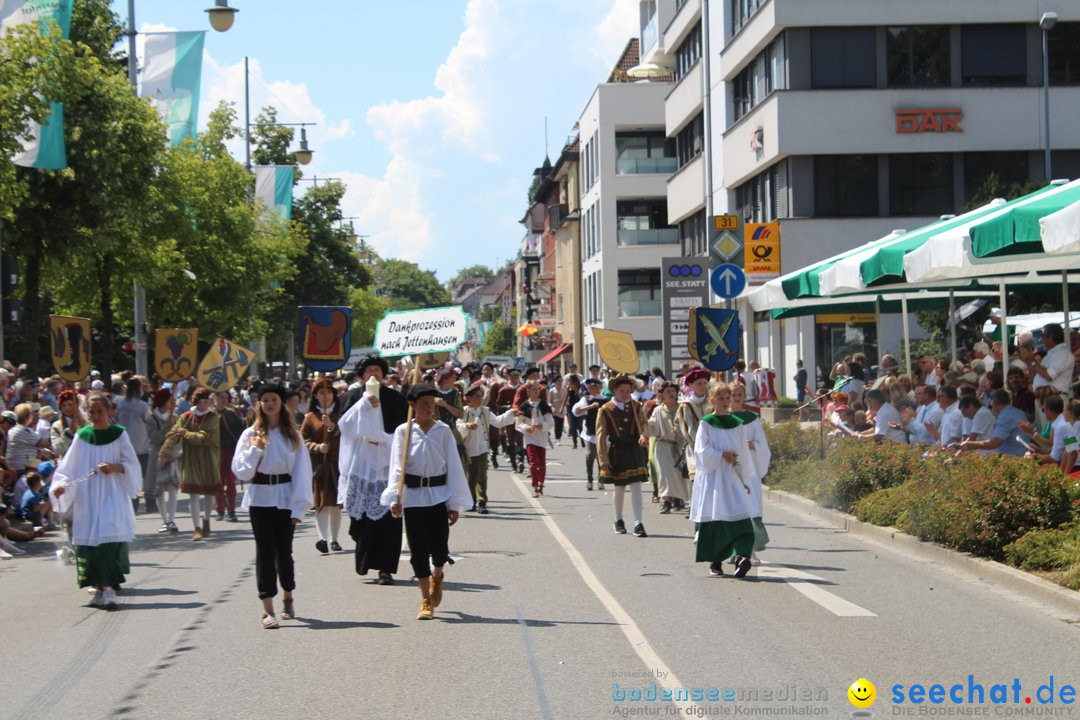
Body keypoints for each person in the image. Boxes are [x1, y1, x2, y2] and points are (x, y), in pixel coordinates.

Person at [381, 383, 472, 620]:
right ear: (412, 405)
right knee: (418, 550)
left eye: (432, 403)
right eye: (424, 404)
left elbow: (453, 466)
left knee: (439, 547)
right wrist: (395, 497)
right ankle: (425, 599)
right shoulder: (404, 431)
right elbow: (396, 467)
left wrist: (454, 503)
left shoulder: (443, 431)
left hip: (438, 494)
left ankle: (438, 576)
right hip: (413, 497)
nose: (430, 408)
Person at [49, 393, 142, 610]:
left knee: (107, 537)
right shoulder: (83, 435)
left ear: (109, 411)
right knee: (91, 541)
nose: (95, 415)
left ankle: (108, 588)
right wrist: (60, 486)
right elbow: (69, 467)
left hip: (112, 494)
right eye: (91, 411)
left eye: (99, 411)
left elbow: (131, 464)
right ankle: (99, 589)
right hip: (88, 497)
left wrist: (116, 468)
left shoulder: (119, 435)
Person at [232, 385, 313, 629]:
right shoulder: (250, 435)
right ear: (259, 404)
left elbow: (302, 473)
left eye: (274, 399)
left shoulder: (293, 436)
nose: (269, 404)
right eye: (265, 400)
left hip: (286, 498)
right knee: (265, 552)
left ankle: (288, 595)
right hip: (260, 498)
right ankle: (267, 609)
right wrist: (255, 449)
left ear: (281, 403)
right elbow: (240, 471)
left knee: (283, 551)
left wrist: (299, 507)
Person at [338, 354, 408, 585]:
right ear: (362, 374)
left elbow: (403, 428)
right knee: (364, 518)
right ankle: (365, 560)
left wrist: (386, 439)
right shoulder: (353, 396)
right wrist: (364, 404)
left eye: (377, 370)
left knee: (389, 516)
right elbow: (345, 427)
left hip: (387, 462)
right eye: (369, 370)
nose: (374, 374)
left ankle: (386, 569)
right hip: (362, 464)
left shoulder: (395, 398)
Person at [691, 383, 754, 578]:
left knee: (741, 514)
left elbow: (743, 453)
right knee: (717, 515)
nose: (726, 402)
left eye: (728, 398)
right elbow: (700, 451)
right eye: (721, 398)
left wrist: (744, 478)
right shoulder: (707, 423)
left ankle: (743, 556)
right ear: (712, 400)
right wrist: (721, 455)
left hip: (732, 476)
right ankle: (715, 562)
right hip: (714, 478)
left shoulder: (737, 423)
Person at [159, 387, 221, 541]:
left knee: (209, 493)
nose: (204, 405)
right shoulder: (186, 416)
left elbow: (206, 437)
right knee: (193, 494)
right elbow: (173, 434)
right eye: (201, 402)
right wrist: (164, 452)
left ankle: (206, 519)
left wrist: (186, 433)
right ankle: (196, 527)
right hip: (190, 458)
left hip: (209, 457)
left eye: (206, 402)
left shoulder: (213, 417)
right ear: (195, 402)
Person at [595, 374, 649, 538]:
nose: (626, 394)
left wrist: (644, 435)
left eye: (628, 391)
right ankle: (618, 520)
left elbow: (644, 423)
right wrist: (603, 459)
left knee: (636, 485)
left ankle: (638, 523)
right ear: (614, 391)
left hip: (634, 448)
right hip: (617, 450)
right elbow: (600, 435)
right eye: (622, 391)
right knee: (619, 487)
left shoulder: (637, 406)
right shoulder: (605, 410)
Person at [457, 383, 517, 513]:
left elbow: (499, 421)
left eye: (481, 396)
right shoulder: (464, 412)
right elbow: (458, 427)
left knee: (482, 476)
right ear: (469, 398)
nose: (480, 399)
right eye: (477, 396)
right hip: (469, 449)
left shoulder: (485, 411)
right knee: (470, 476)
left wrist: (511, 413)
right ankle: (470, 501)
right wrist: (467, 426)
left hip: (482, 448)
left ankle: (482, 501)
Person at [301, 378, 343, 555]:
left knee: (335, 504)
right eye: (321, 393)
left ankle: (334, 539)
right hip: (319, 465)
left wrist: (332, 427)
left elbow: (346, 436)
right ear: (316, 396)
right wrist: (317, 447)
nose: (325, 396)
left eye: (328, 392)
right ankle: (322, 539)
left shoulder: (341, 414)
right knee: (321, 503)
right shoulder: (310, 417)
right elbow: (302, 440)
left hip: (337, 463)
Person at [729, 382, 770, 555]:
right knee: (732, 509)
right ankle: (734, 550)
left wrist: (753, 445)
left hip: (750, 468)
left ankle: (750, 550)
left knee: (750, 507)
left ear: (744, 397)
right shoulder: (723, 419)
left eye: (739, 394)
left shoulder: (752, 418)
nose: (736, 398)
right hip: (730, 469)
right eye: (733, 395)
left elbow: (763, 444)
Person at [646, 382, 688, 514]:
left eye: (673, 391)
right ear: (662, 394)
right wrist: (644, 418)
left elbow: (689, 425)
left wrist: (680, 431)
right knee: (664, 474)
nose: (671, 394)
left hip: (680, 445)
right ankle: (666, 502)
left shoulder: (682, 408)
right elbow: (651, 428)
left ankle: (678, 498)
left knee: (679, 474)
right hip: (663, 445)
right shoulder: (658, 410)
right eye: (668, 391)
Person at [115, 378, 153, 514]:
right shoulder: (142, 405)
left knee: (128, 473)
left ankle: (132, 501)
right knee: (142, 475)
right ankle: (144, 501)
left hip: (125, 444)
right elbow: (149, 421)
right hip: (140, 443)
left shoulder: (120, 404)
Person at [146, 389, 180, 533]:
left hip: (171, 455)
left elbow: (177, 437)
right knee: (159, 490)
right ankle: (164, 520)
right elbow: (155, 438)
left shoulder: (176, 417)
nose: (172, 403)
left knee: (172, 488)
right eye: (169, 401)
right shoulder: (151, 419)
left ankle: (171, 519)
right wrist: (167, 425)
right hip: (157, 457)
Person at [677, 369, 710, 515]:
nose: (703, 386)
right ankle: (694, 506)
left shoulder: (712, 401)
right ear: (691, 385)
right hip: (695, 447)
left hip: (714, 446)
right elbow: (688, 429)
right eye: (699, 383)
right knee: (695, 477)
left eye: (705, 383)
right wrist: (701, 444)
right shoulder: (686, 405)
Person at [958, 390, 1028, 457]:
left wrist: (969, 444)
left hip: (1013, 458)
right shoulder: (1019, 412)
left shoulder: (1004, 417)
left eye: (964, 410)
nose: (964, 415)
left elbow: (994, 443)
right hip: (1022, 454)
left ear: (994, 404)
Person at [517, 380, 554, 498]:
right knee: (533, 462)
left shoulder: (544, 406)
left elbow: (550, 422)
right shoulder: (524, 406)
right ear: (528, 391)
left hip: (541, 438)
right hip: (530, 437)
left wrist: (542, 425)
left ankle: (541, 483)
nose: (536, 392)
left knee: (541, 463)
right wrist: (526, 427)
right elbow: (518, 423)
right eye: (534, 389)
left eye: (538, 389)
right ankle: (535, 486)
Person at [215, 391, 245, 523]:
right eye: (221, 397)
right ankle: (220, 509)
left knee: (231, 482)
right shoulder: (210, 414)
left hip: (230, 451)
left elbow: (242, 429)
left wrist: (245, 418)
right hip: (215, 452)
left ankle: (231, 511)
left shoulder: (231, 413)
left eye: (226, 398)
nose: (224, 400)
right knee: (218, 482)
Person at [572, 377, 608, 490]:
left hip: (603, 431)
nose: (591, 388)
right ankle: (589, 480)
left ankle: (601, 479)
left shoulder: (606, 399)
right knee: (590, 455)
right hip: (590, 431)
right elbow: (576, 411)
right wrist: (590, 406)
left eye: (594, 386)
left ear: (599, 388)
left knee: (601, 457)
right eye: (590, 387)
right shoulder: (586, 399)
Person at [50, 390, 84, 458]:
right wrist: (69, 432)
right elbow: (57, 449)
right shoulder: (56, 426)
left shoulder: (86, 423)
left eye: (70, 405)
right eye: (64, 405)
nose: (67, 408)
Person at [565, 375, 584, 449]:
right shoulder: (568, 388)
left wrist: (576, 390)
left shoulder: (580, 387)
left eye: (570, 380)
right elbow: (566, 397)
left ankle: (582, 441)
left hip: (579, 408)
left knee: (580, 426)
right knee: (573, 426)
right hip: (570, 408)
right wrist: (562, 407)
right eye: (569, 380)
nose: (569, 382)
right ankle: (575, 443)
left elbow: (581, 397)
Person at [548, 375, 566, 446]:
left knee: (560, 425)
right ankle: (557, 439)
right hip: (555, 410)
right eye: (559, 381)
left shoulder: (563, 390)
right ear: (555, 382)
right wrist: (552, 407)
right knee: (556, 424)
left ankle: (559, 437)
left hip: (561, 410)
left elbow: (565, 400)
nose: (560, 382)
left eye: (561, 381)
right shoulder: (552, 391)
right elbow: (549, 402)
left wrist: (564, 402)